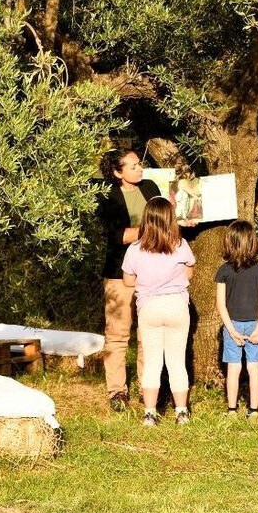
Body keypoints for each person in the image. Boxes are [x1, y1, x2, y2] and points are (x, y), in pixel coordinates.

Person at [122, 196, 196, 426]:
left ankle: (150, 414)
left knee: (152, 362)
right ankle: (181, 412)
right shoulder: (180, 245)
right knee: (177, 362)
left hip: (149, 307)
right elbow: (189, 274)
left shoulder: (135, 249)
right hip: (176, 305)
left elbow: (127, 281)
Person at [99, 149, 160, 411]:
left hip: (152, 272)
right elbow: (119, 236)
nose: (139, 168)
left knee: (148, 333)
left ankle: (149, 387)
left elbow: (165, 217)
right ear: (117, 172)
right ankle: (117, 391)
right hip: (119, 273)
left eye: (139, 164)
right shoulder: (107, 195)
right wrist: (153, 230)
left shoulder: (150, 187)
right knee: (118, 333)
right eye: (133, 166)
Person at [215, 221, 258, 421]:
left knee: (233, 368)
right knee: (254, 368)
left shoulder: (223, 270)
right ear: (253, 242)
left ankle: (232, 410)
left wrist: (231, 330)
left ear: (229, 242)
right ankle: (254, 411)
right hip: (255, 324)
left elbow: (220, 304)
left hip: (232, 325)